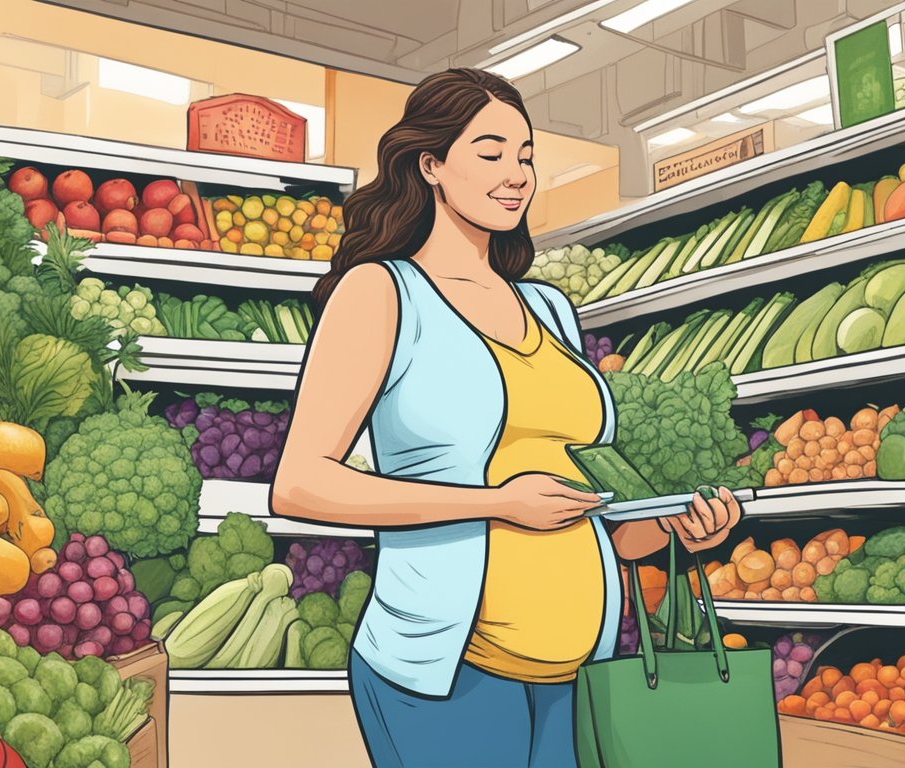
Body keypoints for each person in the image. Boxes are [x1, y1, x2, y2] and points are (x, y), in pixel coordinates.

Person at [271, 67, 744, 768]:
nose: (516, 174)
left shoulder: (548, 308)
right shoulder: (382, 293)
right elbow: (300, 484)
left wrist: (671, 526)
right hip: (447, 673)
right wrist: (496, 503)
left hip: (573, 673)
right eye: (490, 153)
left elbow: (593, 521)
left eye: (525, 155)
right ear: (430, 164)